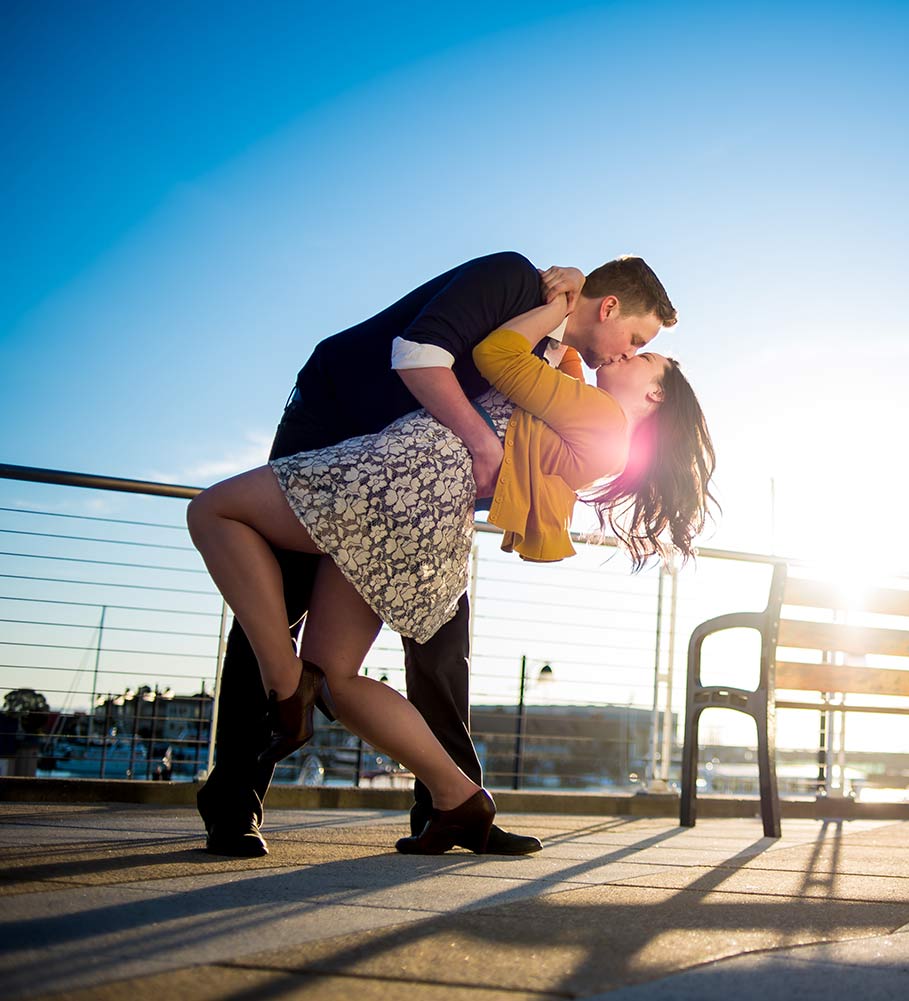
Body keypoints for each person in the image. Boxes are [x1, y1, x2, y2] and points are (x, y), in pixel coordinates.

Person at [188, 284, 716, 854]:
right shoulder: (599, 431)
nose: (624, 355)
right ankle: (457, 796)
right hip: (433, 515)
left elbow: (499, 357)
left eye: (642, 355)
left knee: (213, 511)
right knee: (336, 677)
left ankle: (284, 683)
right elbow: (558, 364)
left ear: (656, 396)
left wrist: (557, 307)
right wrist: (571, 310)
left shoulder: (600, 416)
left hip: (402, 473)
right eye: (634, 342)